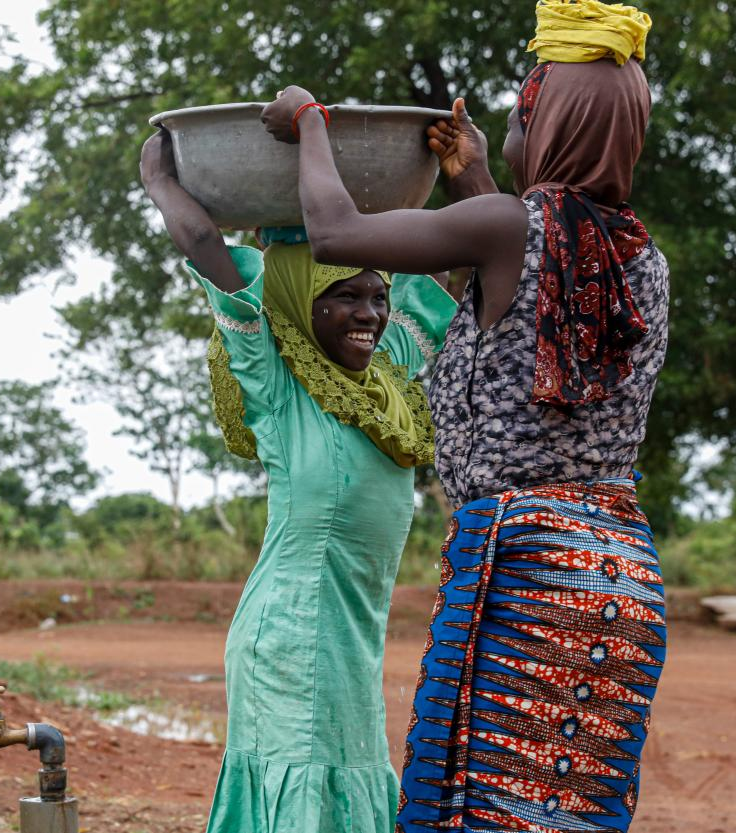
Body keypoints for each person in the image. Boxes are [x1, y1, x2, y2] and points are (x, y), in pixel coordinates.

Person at [260, 1, 668, 830]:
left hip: (527, 566)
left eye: (523, 110)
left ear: (544, 120)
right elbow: (519, 306)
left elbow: (336, 233)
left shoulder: (512, 228)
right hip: (617, 573)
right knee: (555, 813)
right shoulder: (636, 254)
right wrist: (473, 174)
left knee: (477, 806)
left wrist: (308, 121)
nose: (512, 128)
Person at [139, 127, 457, 833]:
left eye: (377, 295)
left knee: (346, 781)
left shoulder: (388, 381)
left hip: (350, 635)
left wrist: (469, 172)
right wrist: (163, 183)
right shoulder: (281, 385)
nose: (369, 313)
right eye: (344, 295)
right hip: (288, 637)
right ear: (297, 301)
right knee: (301, 795)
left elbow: (473, 273)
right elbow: (208, 252)